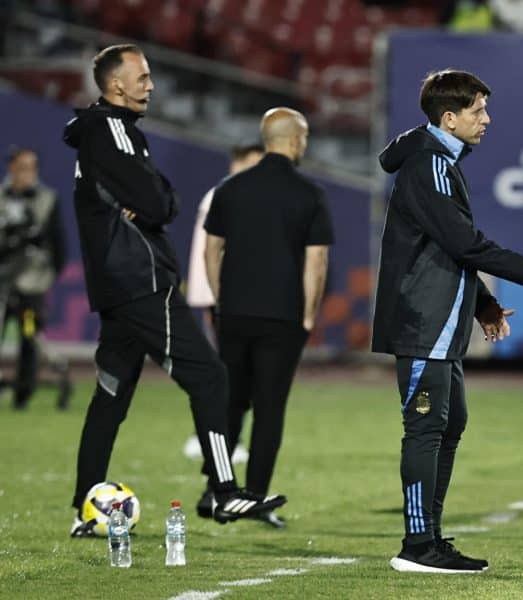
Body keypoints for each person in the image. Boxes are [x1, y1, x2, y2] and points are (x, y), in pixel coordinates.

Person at [63, 44, 285, 536]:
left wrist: (154, 198)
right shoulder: (111, 129)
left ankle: (84, 506)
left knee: (110, 396)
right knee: (210, 377)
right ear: (115, 84)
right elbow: (160, 203)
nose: (151, 85)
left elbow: (156, 199)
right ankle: (224, 492)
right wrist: (154, 200)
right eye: (142, 77)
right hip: (140, 278)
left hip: (119, 286)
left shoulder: (109, 132)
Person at [373, 69, 523, 573]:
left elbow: (444, 248)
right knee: (426, 428)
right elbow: (463, 243)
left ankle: (430, 537)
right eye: (478, 110)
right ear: (449, 118)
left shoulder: (439, 162)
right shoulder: (431, 164)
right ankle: (418, 546)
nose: (487, 119)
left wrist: (482, 304)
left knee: (449, 423)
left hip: (442, 321)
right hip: (424, 321)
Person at [199, 108, 333, 528]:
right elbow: (317, 261)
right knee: (269, 408)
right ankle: (255, 496)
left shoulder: (230, 188)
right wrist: (308, 313)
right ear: (295, 140)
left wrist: (221, 298)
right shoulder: (309, 193)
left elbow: (211, 250)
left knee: (230, 402)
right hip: (282, 315)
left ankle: (216, 489)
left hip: (234, 312)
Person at [180, 143, 263, 464]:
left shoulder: (227, 196)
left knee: (231, 370)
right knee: (226, 371)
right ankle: (216, 437)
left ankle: (217, 436)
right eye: (252, 164)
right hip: (223, 299)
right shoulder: (224, 197)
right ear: (235, 164)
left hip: (226, 297)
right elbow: (213, 253)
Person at [0, 147, 69, 409]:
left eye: (32, 168)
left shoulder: (47, 199)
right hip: (2, 281)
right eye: (22, 167)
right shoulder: (1, 198)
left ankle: (23, 394)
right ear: (11, 168)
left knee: (29, 335)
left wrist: (47, 278)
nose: (27, 173)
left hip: (31, 285)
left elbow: (59, 245)